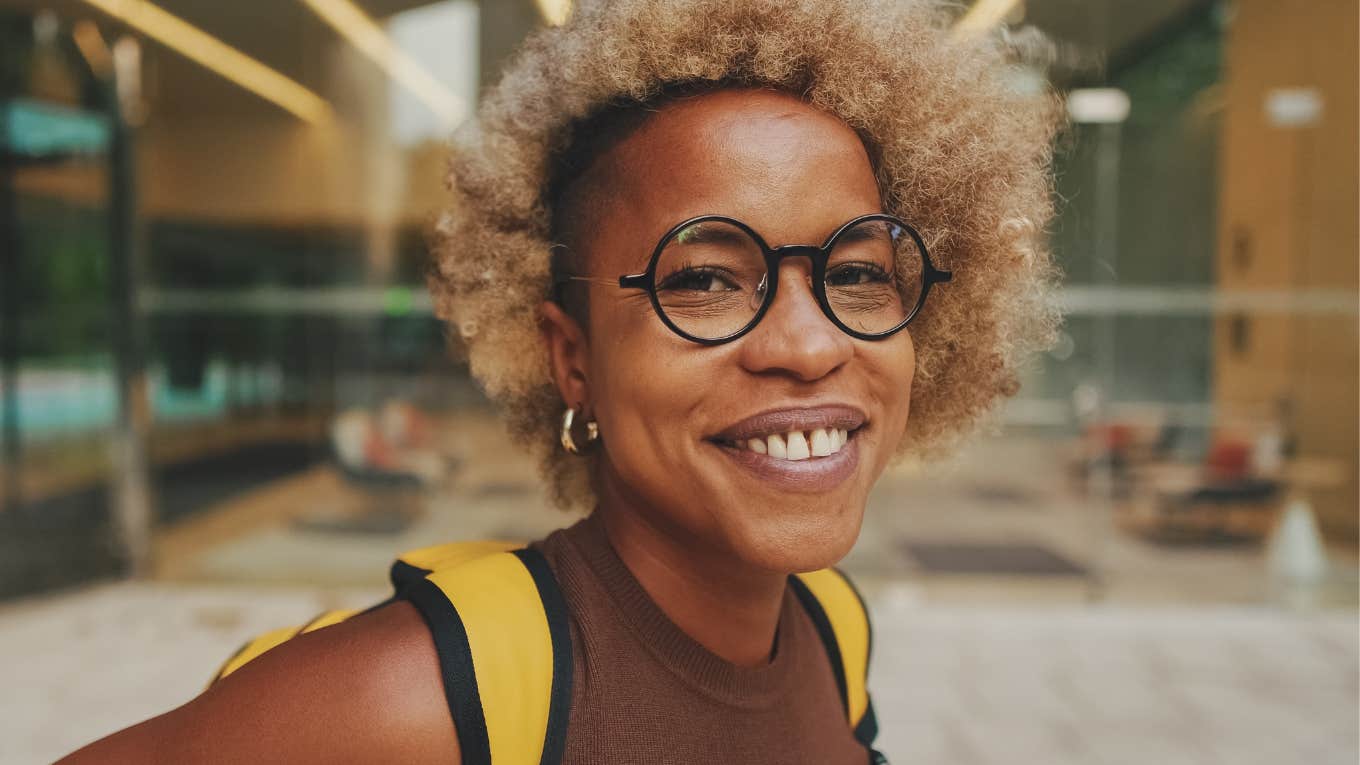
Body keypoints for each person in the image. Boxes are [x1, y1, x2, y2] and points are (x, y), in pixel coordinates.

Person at [57, 0, 1059, 761]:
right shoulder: (430, 691)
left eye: (855, 274)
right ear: (571, 355)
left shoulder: (829, 628)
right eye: (705, 280)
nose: (805, 346)